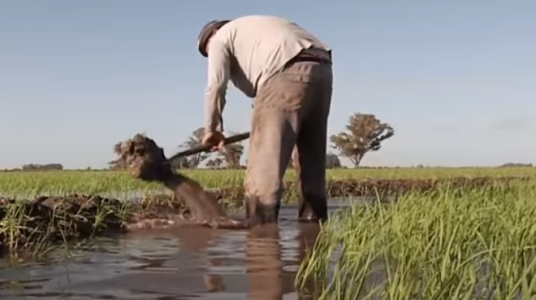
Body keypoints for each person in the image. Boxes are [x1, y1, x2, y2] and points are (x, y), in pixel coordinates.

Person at [197, 15, 333, 227]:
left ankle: (261, 237)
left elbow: (216, 86)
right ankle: (313, 231)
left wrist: (212, 128)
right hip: (322, 69)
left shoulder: (218, 39)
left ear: (209, 39)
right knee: (311, 163)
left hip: (285, 71)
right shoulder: (257, 27)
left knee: (263, 172)